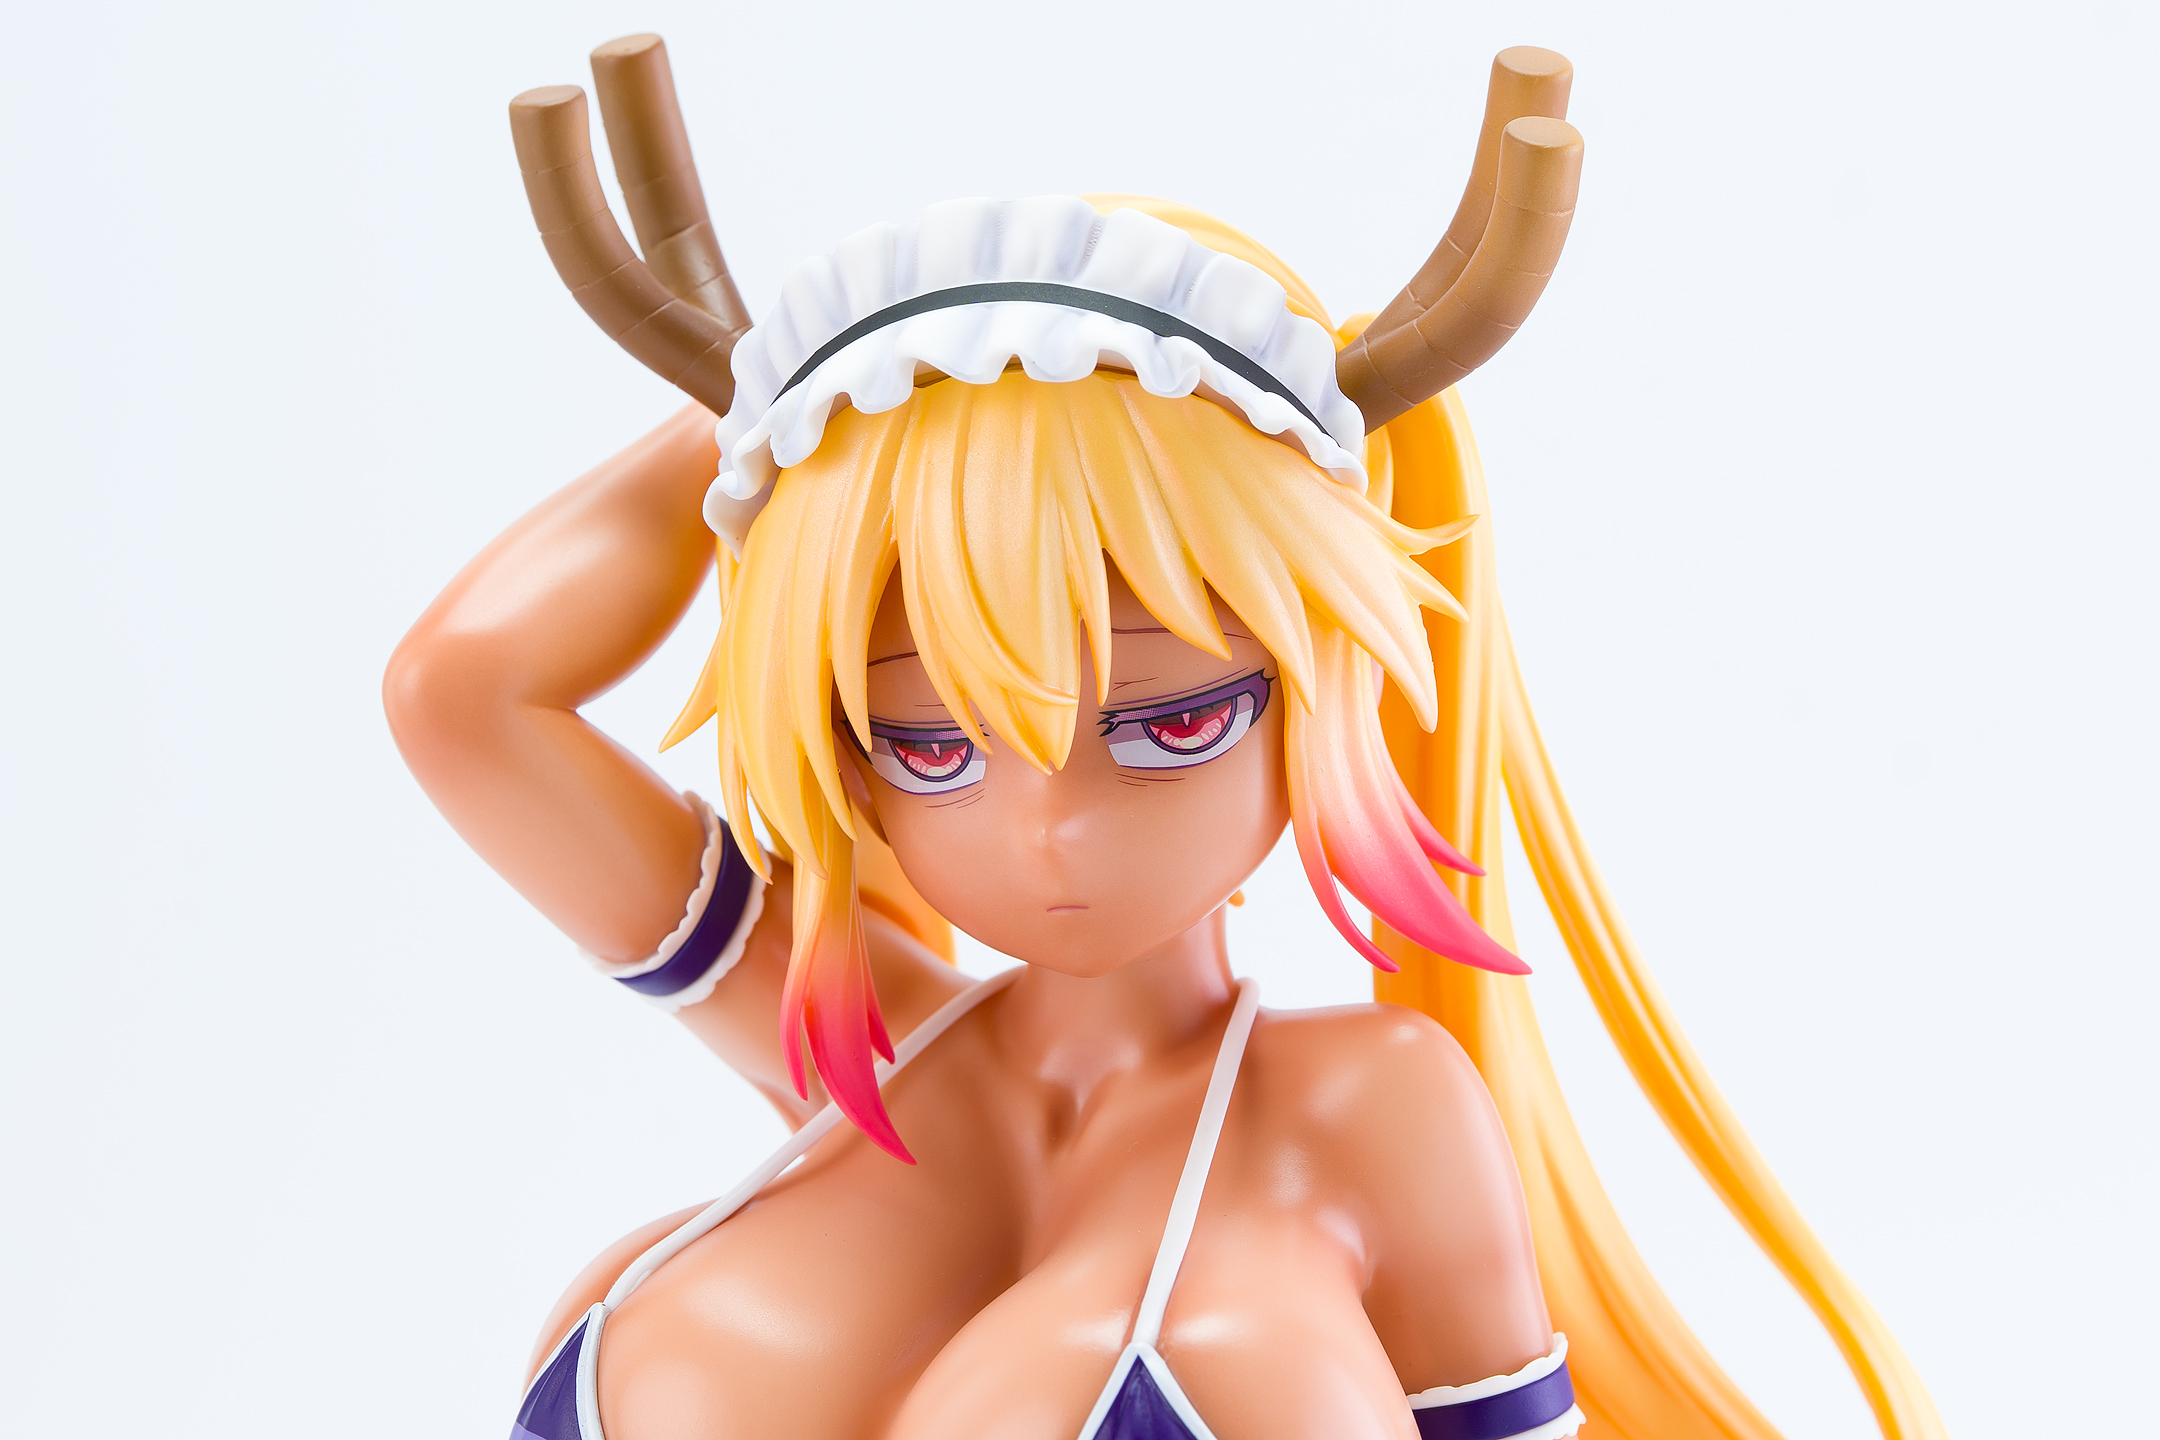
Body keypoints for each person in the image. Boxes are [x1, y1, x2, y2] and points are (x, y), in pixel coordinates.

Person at [384, 34, 1944, 1440]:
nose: (1048, 831)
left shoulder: (1372, 1109)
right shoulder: (848, 1038)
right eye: (931, 748)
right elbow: (458, 696)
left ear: (1321, 682)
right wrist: (784, 422)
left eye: (1174, 721)